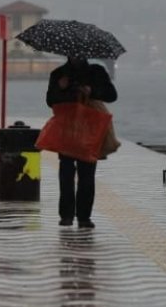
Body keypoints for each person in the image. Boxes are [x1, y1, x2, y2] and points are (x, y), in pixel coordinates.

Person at [45, 57, 117, 228]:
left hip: (90, 129)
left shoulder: (96, 72)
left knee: (87, 174)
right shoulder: (58, 74)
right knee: (66, 173)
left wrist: (91, 91)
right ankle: (66, 215)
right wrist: (60, 88)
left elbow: (111, 95)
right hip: (67, 127)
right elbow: (50, 100)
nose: (76, 55)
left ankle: (84, 216)